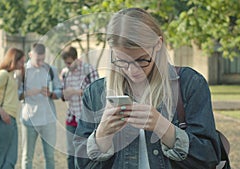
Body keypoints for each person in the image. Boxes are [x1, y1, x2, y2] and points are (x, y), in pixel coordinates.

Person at [73, 8, 222, 169]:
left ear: (158, 44)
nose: (132, 70)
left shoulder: (190, 83)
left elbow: (209, 157)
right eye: (122, 61)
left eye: (142, 60)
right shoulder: (95, 93)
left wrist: (162, 127)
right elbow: (80, 164)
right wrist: (102, 136)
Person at [19, 43, 62, 169]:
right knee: (27, 156)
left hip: (48, 119)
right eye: (38, 59)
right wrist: (29, 93)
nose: (41, 62)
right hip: (29, 120)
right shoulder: (22, 71)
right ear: (30, 55)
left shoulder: (51, 70)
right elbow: (16, 94)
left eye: (43, 59)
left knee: (50, 156)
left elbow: (59, 90)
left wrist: (52, 94)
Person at [60, 46, 99, 169]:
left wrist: (76, 92)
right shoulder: (65, 73)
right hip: (71, 118)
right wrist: (65, 94)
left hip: (86, 120)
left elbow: (97, 92)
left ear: (76, 58)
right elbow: (64, 95)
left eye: (70, 63)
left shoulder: (88, 70)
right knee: (71, 154)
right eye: (66, 63)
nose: (68, 66)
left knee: (85, 155)